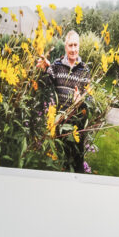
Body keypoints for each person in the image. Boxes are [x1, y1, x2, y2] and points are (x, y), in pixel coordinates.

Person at [46, 29, 91, 172]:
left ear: (79, 46)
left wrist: (81, 101)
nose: (73, 49)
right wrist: (44, 69)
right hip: (58, 124)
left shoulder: (85, 70)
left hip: (76, 126)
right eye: (70, 45)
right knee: (58, 162)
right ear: (65, 47)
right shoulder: (57, 65)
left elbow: (89, 98)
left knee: (76, 163)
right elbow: (47, 84)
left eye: (75, 45)